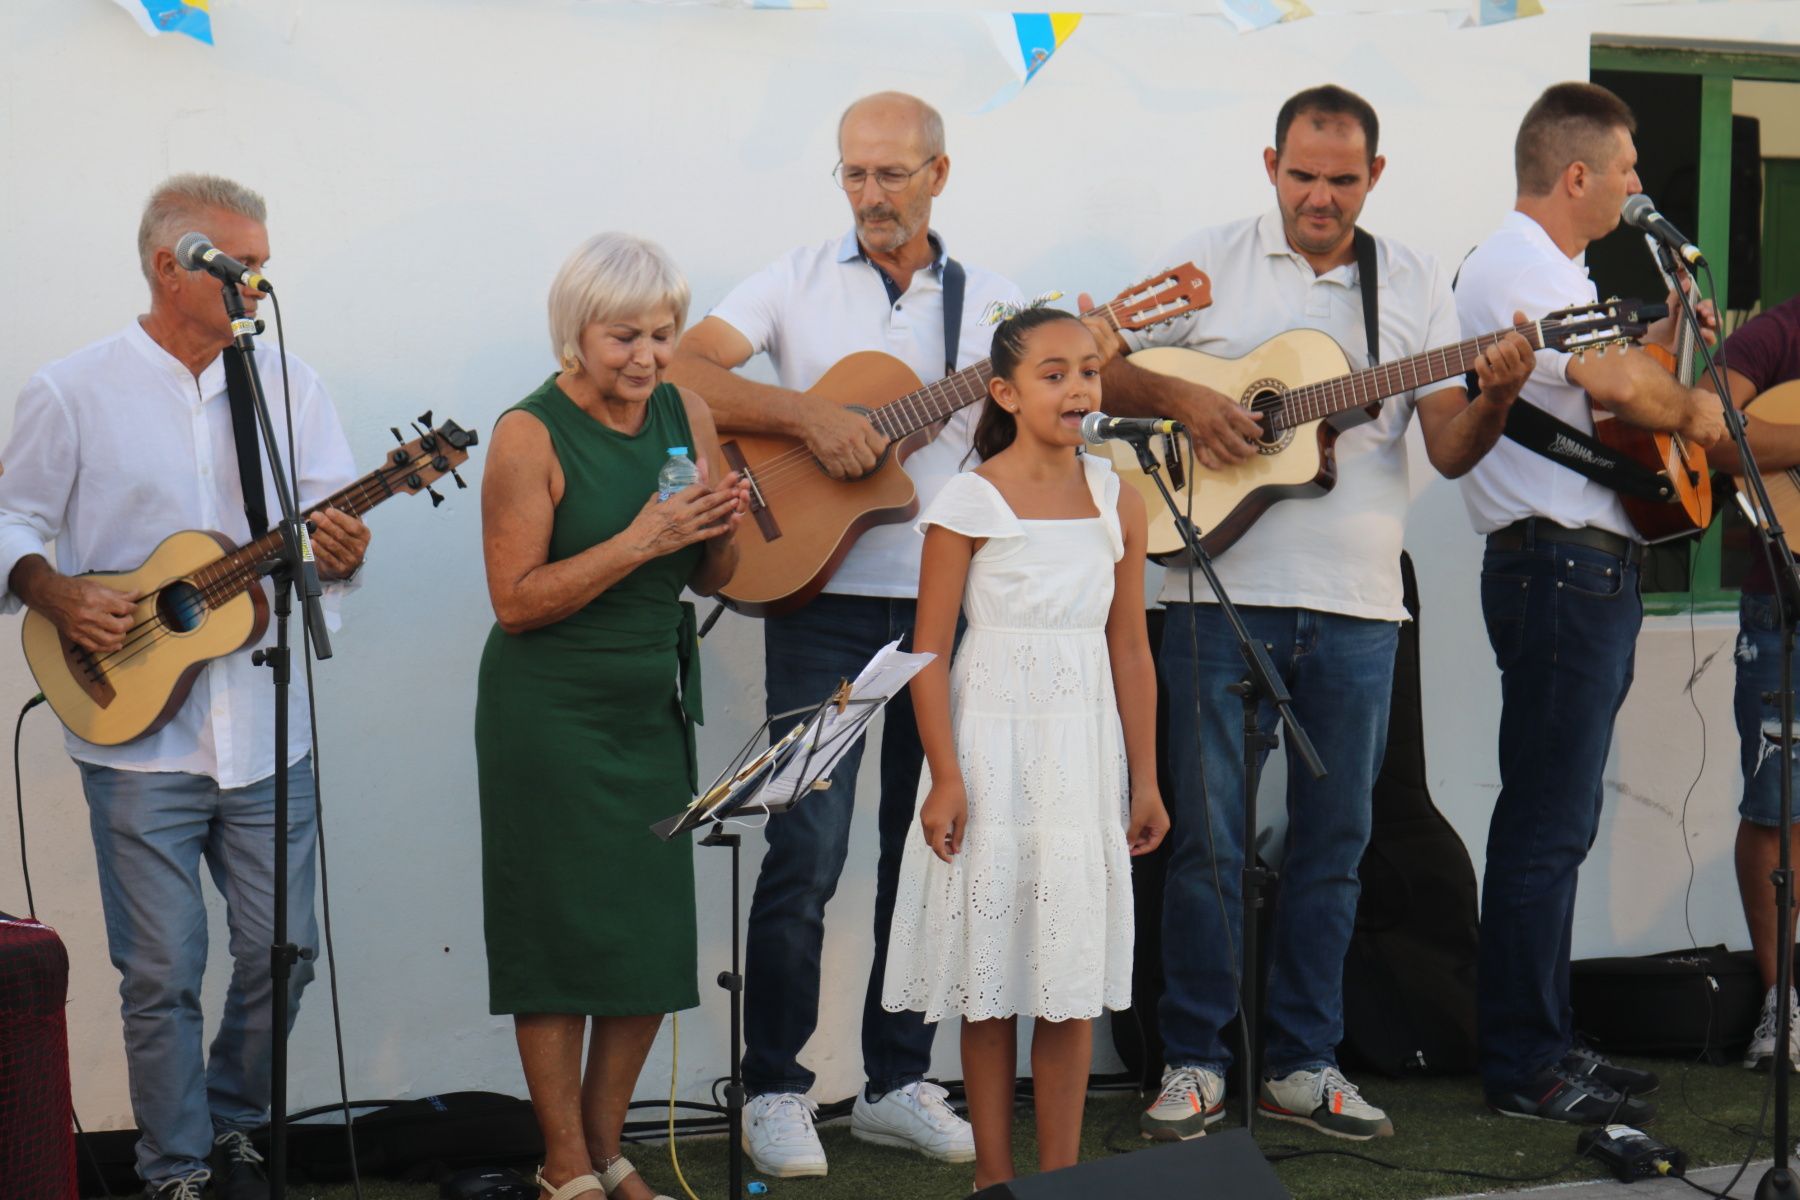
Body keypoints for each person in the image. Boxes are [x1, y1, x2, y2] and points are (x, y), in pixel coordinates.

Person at [1091, 85, 1536, 1142]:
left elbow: (1448, 448)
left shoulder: (1413, 279)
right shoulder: (1209, 259)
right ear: (1270, 166)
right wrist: (1192, 402)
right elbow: (1096, 368)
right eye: (1302, 176)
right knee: (1205, 844)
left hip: (1359, 605)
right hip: (1211, 593)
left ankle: (1304, 1063)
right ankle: (1194, 1061)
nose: (1320, 197)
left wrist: (1500, 391)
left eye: (1342, 179)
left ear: (1374, 176)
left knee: (1337, 846)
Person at [667, 91, 1022, 1176]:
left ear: (938, 175)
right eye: (854, 173)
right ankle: (775, 1088)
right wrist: (808, 417)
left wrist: (1068, 368)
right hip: (817, 598)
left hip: (943, 608)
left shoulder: (991, 303)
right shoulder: (793, 277)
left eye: (891, 174)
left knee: (929, 848)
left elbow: (1031, 429)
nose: (871, 194)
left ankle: (896, 1081)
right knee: (806, 852)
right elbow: (683, 369)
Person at [0, 174, 370, 1200]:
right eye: (238, 266)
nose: (259, 283)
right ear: (170, 268)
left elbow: (324, 529)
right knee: (161, 972)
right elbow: (12, 520)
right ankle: (175, 1169)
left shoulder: (290, 386)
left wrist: (343, 553)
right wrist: (55, 592)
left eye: (263, 264)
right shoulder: (72, 389)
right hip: (134, 736)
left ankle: (236, 1124)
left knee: (284, 954)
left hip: (266, 730)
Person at [1454, 81, 1726, 1122]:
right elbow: (1617, 391)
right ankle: (1526, 1061)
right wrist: (1695, 410)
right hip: (1558, 569)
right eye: (1626, 168)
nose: (1636, 183)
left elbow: (1614, 388)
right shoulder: (1519, 262)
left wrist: (1670, 338)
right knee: (1545, 822)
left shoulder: (1560, 272)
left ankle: (1549, 1040)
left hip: (1581, 567)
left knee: (1558, 821)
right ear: (1577, 175)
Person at [475, 233, 748, 1200]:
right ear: (575, 333)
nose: (647, 356)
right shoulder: (528, 433)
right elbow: (515, 601)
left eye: (662, 334)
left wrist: (720, 526)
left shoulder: (687, 409)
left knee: (646, 935)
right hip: (548, 711)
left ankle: (606, 1150)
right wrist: (640, 539)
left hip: (647, 705)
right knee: (557, 937)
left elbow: (714, 575)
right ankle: (562, 1164)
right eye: (623, 336)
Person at [882, 305, 1169, 1189]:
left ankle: (1060, 1180)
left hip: (1080, 758)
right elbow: (928, 652)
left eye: (1088, 370)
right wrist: (945, 776)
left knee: (1066, 981)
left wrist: (1147, 781)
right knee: (992, 980)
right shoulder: (969, 500)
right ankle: (994, 1180)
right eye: (1054, 374)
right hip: (990, 753)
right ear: (1005, 394)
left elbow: (1131, 648)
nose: (1078, 388)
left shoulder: (1119, 497)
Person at [1695, 294, 1800, 1070]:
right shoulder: (1782, 330)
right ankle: (1780, 1000)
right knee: (1775, 802)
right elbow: (1707, 425)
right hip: (1782, 599)